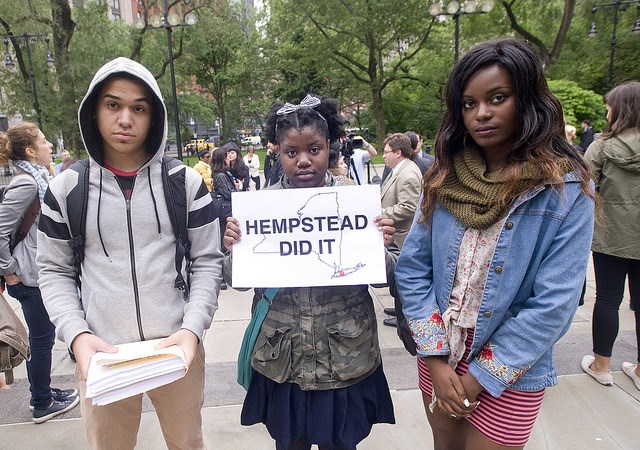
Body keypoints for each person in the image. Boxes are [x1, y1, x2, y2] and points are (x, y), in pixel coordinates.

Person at [394, 39, 595, 449]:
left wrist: (478, 377)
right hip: (440, 353)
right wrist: (433, 358)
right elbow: (413, 269)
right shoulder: (444, 179)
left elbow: (556, 301)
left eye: (497, 98)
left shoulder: (565, 188)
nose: (481, 113)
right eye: (469, 104)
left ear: (528, 100)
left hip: (512, 367)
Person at [36, 57, 223, 449]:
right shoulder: (66, 189)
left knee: (187, 443)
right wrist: (77, 335)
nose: (125, 118)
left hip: (177, 348)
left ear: (153, 115)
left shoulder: (185, 183)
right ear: (94, 110)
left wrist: (192, 330)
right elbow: (53, 270)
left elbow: (207, 261)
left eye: (138, 107)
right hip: (103, 353)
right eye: (113, 105)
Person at [222, 94, 396, 450]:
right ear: (278, 153)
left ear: (329, 147)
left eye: (314, 149)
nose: (304, 160)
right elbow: (234, 281)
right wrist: (234, 248)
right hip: (283, 359)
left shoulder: (356, 201)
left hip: (345, 358)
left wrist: (379, 246)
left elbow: (389, 276)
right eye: (291, 152)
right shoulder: (260, 208)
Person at [0, 122, 79, 423]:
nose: (50, 147)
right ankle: (41, 401)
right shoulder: (26, 184)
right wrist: (10, 272)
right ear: (31, 151)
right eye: (45, 142)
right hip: (28, 275)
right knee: (42, 339)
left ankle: (43, 390)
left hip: (34, 272)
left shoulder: (38, 179)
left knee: (43, 336)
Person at [581, 81, 640, 391]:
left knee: (607, 299)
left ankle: (602, 365)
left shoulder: (602, 146)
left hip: (612, 235)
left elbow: (584, 188)